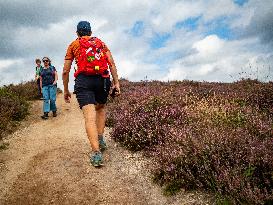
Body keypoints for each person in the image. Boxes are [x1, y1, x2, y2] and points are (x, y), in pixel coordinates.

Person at [62, 21, 120, 167]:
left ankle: (96, 153)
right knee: (100, 109)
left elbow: (65, 71)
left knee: (89, 118)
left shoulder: (73, 45)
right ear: (90, 32)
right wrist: (116, 83)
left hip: (83, 81)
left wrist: (66, 89)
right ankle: (100, 139)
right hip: (102, 80)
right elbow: (111, 63)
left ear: (77, 33)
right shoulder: (100, 43)